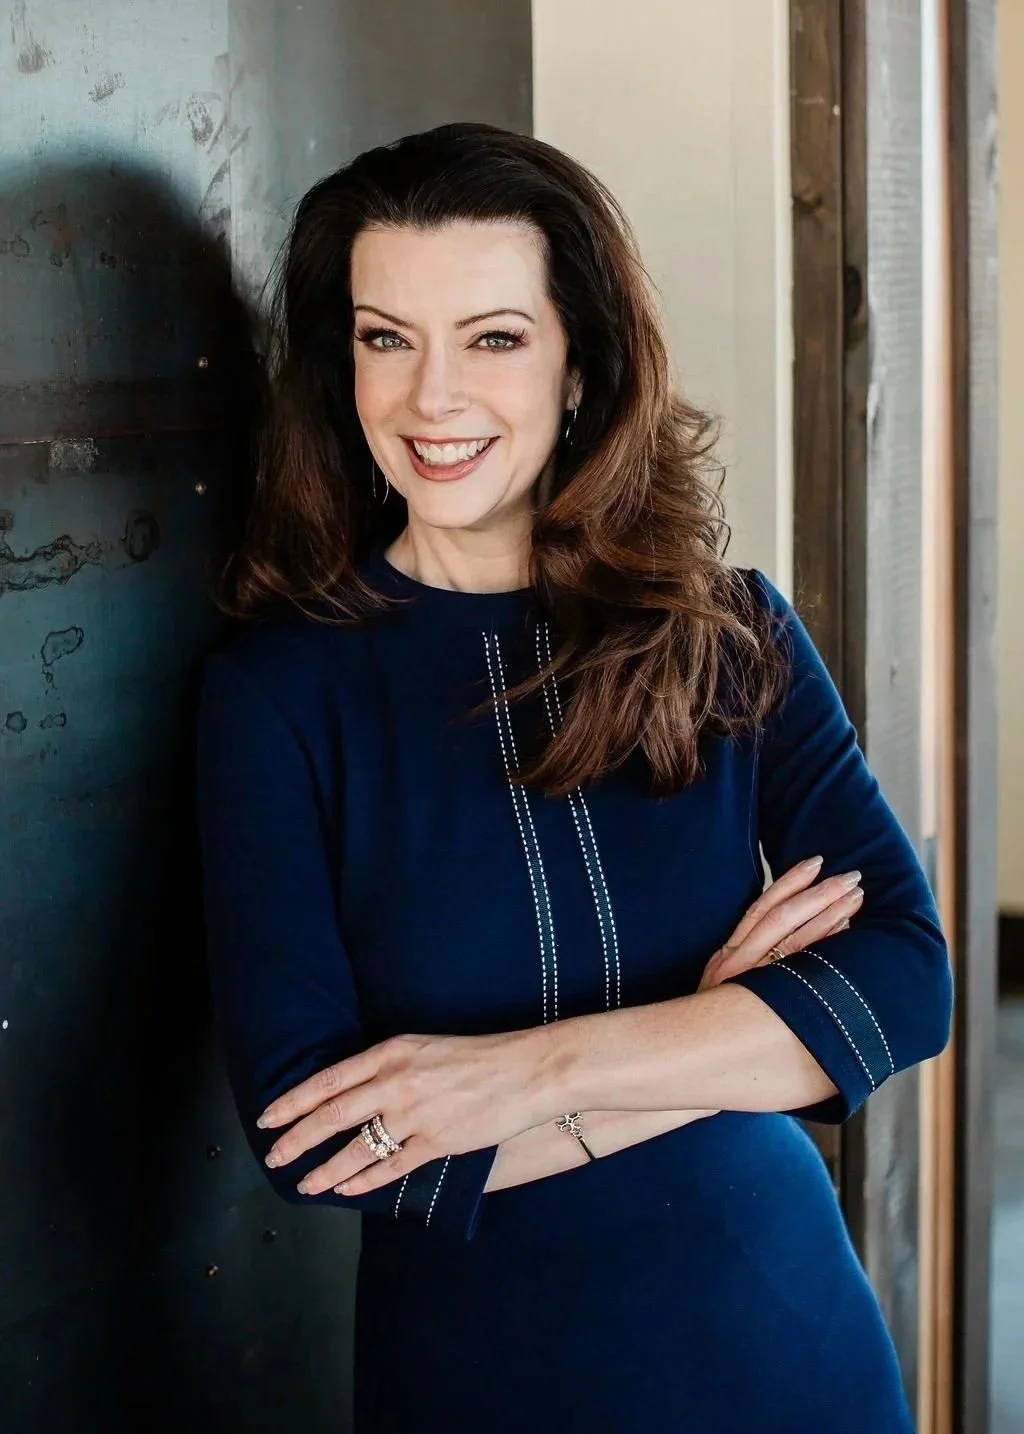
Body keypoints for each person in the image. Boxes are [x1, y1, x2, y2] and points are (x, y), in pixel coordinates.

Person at [195, 122, 952, 1432]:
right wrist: (720, 1042)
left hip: (779, 1326)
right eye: (388, 337)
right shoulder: (277, 693)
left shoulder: (728, 631)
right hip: (487, 1362)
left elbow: (905, 975)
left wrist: (529, 1076)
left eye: (493, 337)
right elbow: (310, 1140)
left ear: (581, 363)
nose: (433, 397)